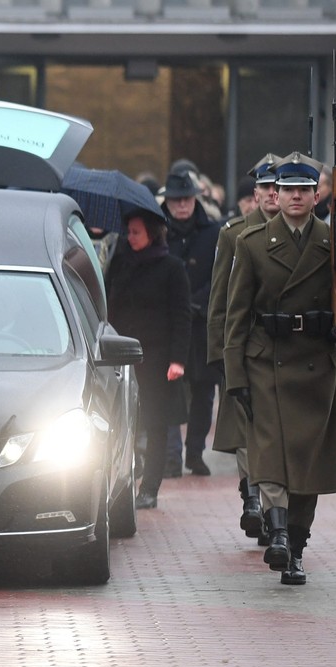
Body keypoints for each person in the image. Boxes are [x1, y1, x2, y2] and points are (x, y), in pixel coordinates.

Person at [224, 152, 336, 585]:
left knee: (307, 466)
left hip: (315, 363)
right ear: (278, 192)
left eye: (303, 191)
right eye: (287, 189)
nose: (293, 197)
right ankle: (276, 535)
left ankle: (296, 546)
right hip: (265, 360)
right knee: (270, 455)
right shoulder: (250, 244)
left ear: (316, 195)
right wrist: (235, 376)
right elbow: (236, 316)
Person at [207, 153, 281, 544]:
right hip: (242, 346)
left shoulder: (300, 233)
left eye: (278, 187)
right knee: (245, 429)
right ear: (255, 194)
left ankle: (271, 510)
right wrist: (219, 353)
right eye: (266, 188)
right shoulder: (233, 234)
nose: (272, 194)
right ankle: (252, 498)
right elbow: (220, 299)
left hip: (281, 350)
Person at [106, 211, 191, 510]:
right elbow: (108, 304)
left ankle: (150, 487)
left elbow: (182, 315)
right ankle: (126, 476)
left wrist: (178, 359)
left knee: (155, 425)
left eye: (136, 233)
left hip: (156, 359)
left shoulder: (171, 268)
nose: (130, 238)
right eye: (128, 231)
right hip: (121, 357)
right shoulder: (120, 263)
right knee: (123, 421)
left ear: (152, 234)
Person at [159, 171, 219, 477]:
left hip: (203, 322)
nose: (182, 205)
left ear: (195, 198)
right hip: (170, 323)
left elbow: (220, 275)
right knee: (169, 388)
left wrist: (199, 302)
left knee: (203, 389)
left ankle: (195, 452)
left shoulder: (212, 231)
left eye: (186, 198)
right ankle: (171, 456)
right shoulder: (159, 230)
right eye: (175, 200)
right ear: (167, 201)